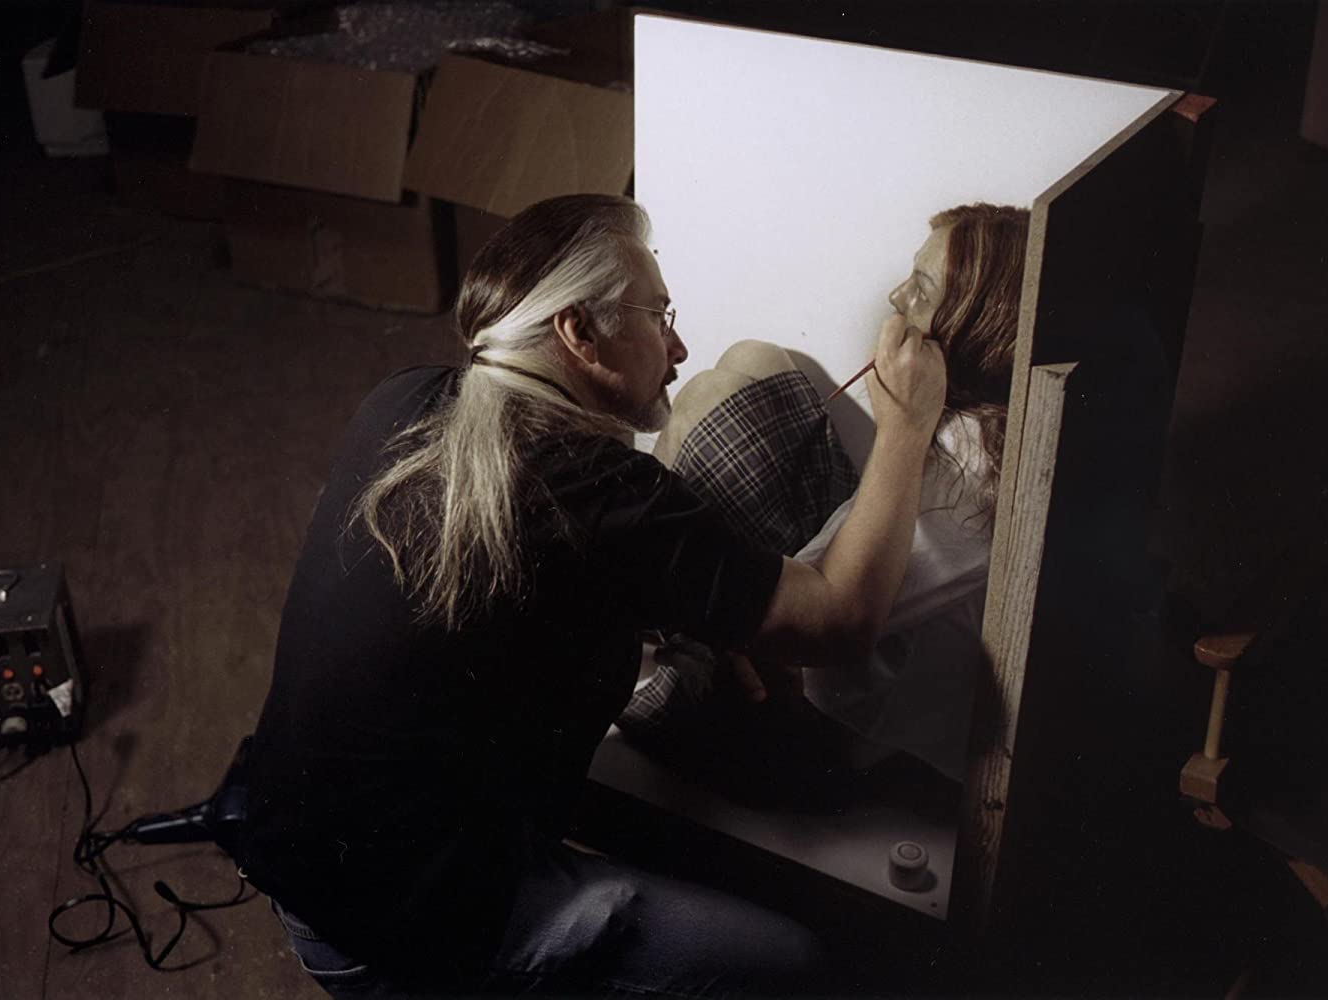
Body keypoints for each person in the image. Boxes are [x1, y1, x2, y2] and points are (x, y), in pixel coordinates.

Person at [235, 194, 948, 996]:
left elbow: (530, 579)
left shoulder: (408, 396)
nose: (678, 347)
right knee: (794, 966)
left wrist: (710, 617)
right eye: (658, 315)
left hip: (296, 858)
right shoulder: (602, 490)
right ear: (578, 331)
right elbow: (843, 620)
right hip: (398, 927)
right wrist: (907, 424)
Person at [619, 203, 1029, 792]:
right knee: (753, 359)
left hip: (817, 723)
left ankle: (668, 653)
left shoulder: (970, 475)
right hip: (840, 620)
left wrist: (902, 423)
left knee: (707, 398)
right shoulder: (980, 420)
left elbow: (820, 617)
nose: (895, 297)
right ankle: (661, 612)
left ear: (973, 327)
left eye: (920, 289)